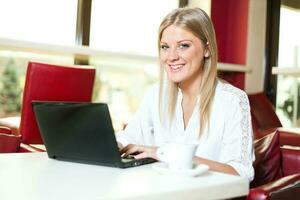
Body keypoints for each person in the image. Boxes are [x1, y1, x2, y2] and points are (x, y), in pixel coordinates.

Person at [117, 7, 254, 181]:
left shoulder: (232, 100)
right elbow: (129, 137)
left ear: (207, 49)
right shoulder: (155, 94)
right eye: (165, 47)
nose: (171, 57)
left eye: (183, 46)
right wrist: (113, 144)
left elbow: (240, 172)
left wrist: (168, 155)